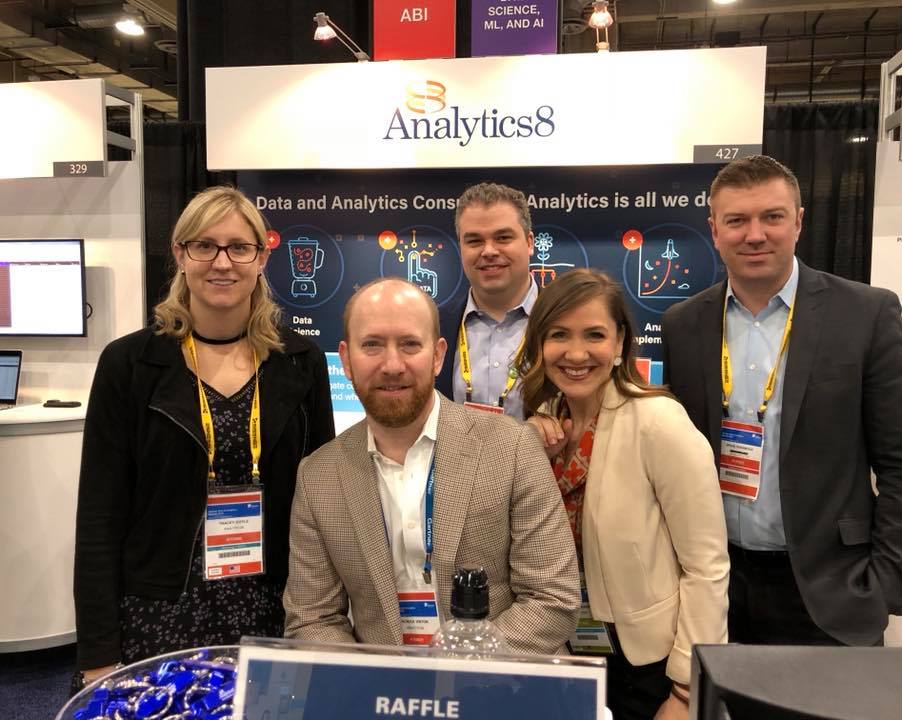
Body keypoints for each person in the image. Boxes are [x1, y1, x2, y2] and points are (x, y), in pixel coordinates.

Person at [661, 155, 902, 646]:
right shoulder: (683, 324)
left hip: (830, 592)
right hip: (714, 588)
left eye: (772, 216)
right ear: (714, 230)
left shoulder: (865, 314)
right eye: (737, 220)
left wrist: (884, 585)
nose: (755, 235)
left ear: (799, 222)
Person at [73, 186, 335, 690]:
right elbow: (100, 517)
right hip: (158, 611)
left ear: (261, 258)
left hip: (271, 608)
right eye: (204, 246)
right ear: (180, 254)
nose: (222, 262)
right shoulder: (129, 365)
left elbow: (321, 506)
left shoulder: (300, 364)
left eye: (239, 247)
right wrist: (99, 654)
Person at [284, 277, 580, 653]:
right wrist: (373, 680)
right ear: (345, 359)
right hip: (381, 685)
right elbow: (313, 619)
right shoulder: (318, 476)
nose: (392, 365)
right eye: (372, 344)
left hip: (497, 680)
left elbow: (552, 599)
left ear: (438, 355)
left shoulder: (512, 448)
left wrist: (455, 667)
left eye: (410, 344)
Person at [519, 269, 728, 720]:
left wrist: (685, 690)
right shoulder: (541, 426)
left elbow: (707, 566)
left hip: (648, 668)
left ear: (619, 344)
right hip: (563, 656)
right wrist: (528, 449)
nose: (576, 353)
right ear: (540, 345)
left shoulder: (658, 422)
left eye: (594, 335)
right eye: (559, 335)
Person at [437, 182, 535, 419]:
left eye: (503, 237)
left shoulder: (566, 320)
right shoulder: (434, 325)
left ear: (529, 243)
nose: (489, 251)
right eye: (474, 241)